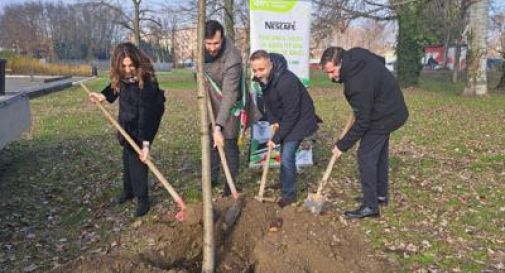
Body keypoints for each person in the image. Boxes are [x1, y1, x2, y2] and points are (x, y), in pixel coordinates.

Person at [320, 47, 408, 219]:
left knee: (366, 156)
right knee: (379, 154)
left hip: (385, 115)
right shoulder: (357, 54)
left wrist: (342, 145)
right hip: (392, 108)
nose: (330, 77)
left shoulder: (356, 86)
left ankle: (370, 206)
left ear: (341, 63)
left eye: (332, 72)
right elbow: (380, 61)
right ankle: (379, 196)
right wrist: (372, 91)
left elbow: (363, 122)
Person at [89, 42, 165, 217]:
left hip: (145, 122)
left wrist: (145, 144)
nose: (128, 69)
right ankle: (128, 191)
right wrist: (102, 96)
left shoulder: (147, 81)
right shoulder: (122, 77)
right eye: (123, 66)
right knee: (126, 157)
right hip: (127, 121)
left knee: (138, 161)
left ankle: (143, 199)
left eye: (131, 65)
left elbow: (148, 114)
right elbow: (114, 88)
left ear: (137, 63)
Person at [250, 50, 320, 208]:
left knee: (287, 156)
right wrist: (273, 120)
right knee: (283, 154)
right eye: (255, 70)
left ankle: (289, 195)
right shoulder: (264, 79)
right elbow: (268, 102)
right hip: (286, 118)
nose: (258, 73)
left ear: (271, 65)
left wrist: (275, 138)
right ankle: (284, 182)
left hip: (300, 120)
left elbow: (292, 115)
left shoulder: (286, 81)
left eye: (261, 69)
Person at [203, 20, 243, 196]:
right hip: (210, 99)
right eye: (208, 43)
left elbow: (229, 95)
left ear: (223, 38)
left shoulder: (232, 57)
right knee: (210, 142)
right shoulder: (200, 50)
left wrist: (219, 126)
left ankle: (230, 185)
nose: (212, 48)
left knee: (229, 142)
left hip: (231, 102)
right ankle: (211, 178)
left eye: (216, 43)